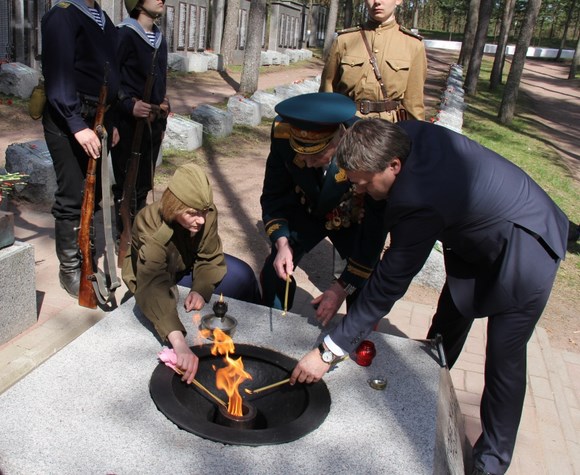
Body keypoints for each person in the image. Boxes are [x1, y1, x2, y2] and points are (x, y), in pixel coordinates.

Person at [290, 119, 570, 475]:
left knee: (504, 355)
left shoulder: (419, 200)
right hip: (473, 235)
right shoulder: (389, 142)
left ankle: (491, 462)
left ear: (393, 166)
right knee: (449, 318)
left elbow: (390, 283)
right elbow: (375, 225)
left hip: (526, 244)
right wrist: (344, 285)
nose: (357, 190)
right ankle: (426, 386)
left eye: (362, 183)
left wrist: (327, 351)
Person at [122, 163, 261, 383]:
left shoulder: (205, 211)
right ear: (174, 206)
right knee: (159, 303)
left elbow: (209, 255)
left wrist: (201, 288)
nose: (202, 220)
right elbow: (153, 283)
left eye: (204, 212)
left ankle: (254, 343)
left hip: (185, 267)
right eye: (193, 213)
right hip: (155, 276)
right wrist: (179, 343)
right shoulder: (149, 224)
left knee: (243, 276)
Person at [260, 92, 388, 323]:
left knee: (363, 279)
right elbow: (273, 197)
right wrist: (281, 243)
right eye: (301, 155)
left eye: (317, 155)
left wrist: (343, 286)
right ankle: (276, 326)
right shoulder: (283, 135)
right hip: (304, 209)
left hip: (351, 215)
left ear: (339, 140)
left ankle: (356, 335)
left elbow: (374, 227)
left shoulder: (363, 144)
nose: (307, 163)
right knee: (274, 272)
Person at [41, 0, 120, 298]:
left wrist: (111, 124)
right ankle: (71, 269)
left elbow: (111, 76)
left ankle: (88, 258)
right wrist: (76, 125)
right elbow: (58, 76)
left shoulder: (103, 20)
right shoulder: (63, 15)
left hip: (98, 118)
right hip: (68, 119)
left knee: (95, 194)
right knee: (73, 195)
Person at [112, 0, 170, 238]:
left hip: (152, 123)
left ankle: (138, 233)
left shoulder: (160, 39)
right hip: (128, 123)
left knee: (145, 183)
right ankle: (125, 236)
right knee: (127, 184)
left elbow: (161, 84)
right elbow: (110, 79)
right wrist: (128, 105)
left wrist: (164, 114)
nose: (161, 0)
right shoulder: (123, 35)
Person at [319, 0, 427, 122]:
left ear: (398, 1)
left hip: (389, 130)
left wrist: (416, 135)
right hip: (348, 125)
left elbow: (414, 102)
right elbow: (327, 91)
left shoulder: (413, 45)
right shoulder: (345, 40)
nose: (377, 2)